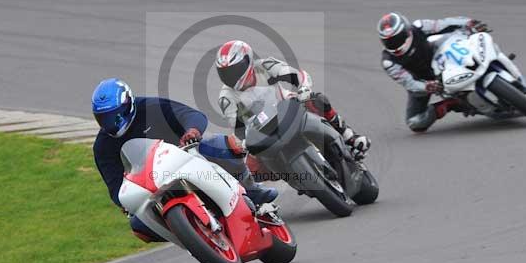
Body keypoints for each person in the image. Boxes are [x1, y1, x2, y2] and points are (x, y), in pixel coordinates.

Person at [92, 78, 277, 243]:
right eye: (103, 119)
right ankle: (192, 235)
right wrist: (125, 203)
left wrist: (192, 131)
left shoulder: (150, 107)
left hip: (186, 155)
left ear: (128, 104)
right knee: (138, 225)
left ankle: (252, 191)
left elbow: (189, 114)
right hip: (153, 184)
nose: (111, 123)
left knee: (220, 144)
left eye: (115, 115)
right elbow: (114, 184)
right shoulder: (103, 147)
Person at [214, 40, 370, 164]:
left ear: (247, 62)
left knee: (316, 100)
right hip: (264, 131)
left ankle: (350, 137)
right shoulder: (226, 97)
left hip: (289, 107)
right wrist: (243, 143)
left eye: (233, 70)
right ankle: (261, 200)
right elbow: (237, 128)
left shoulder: (265, 66)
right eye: (225, 73)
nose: (230, 76)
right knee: (250, 166)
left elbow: (297, 75)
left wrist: (303, 89)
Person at [377, 12, 490, 132]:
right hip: (424, 81)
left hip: (439, 56)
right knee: (415, 122)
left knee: (464, 36)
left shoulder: (418, 27)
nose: (395, 44)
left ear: (406, 30)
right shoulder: (389, 62)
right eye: (389, 41)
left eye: (398, 38)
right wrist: (426, 87)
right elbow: (409, 83)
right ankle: (452, 103)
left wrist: (469, 23)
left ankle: (488, 60)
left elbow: (445, 24)